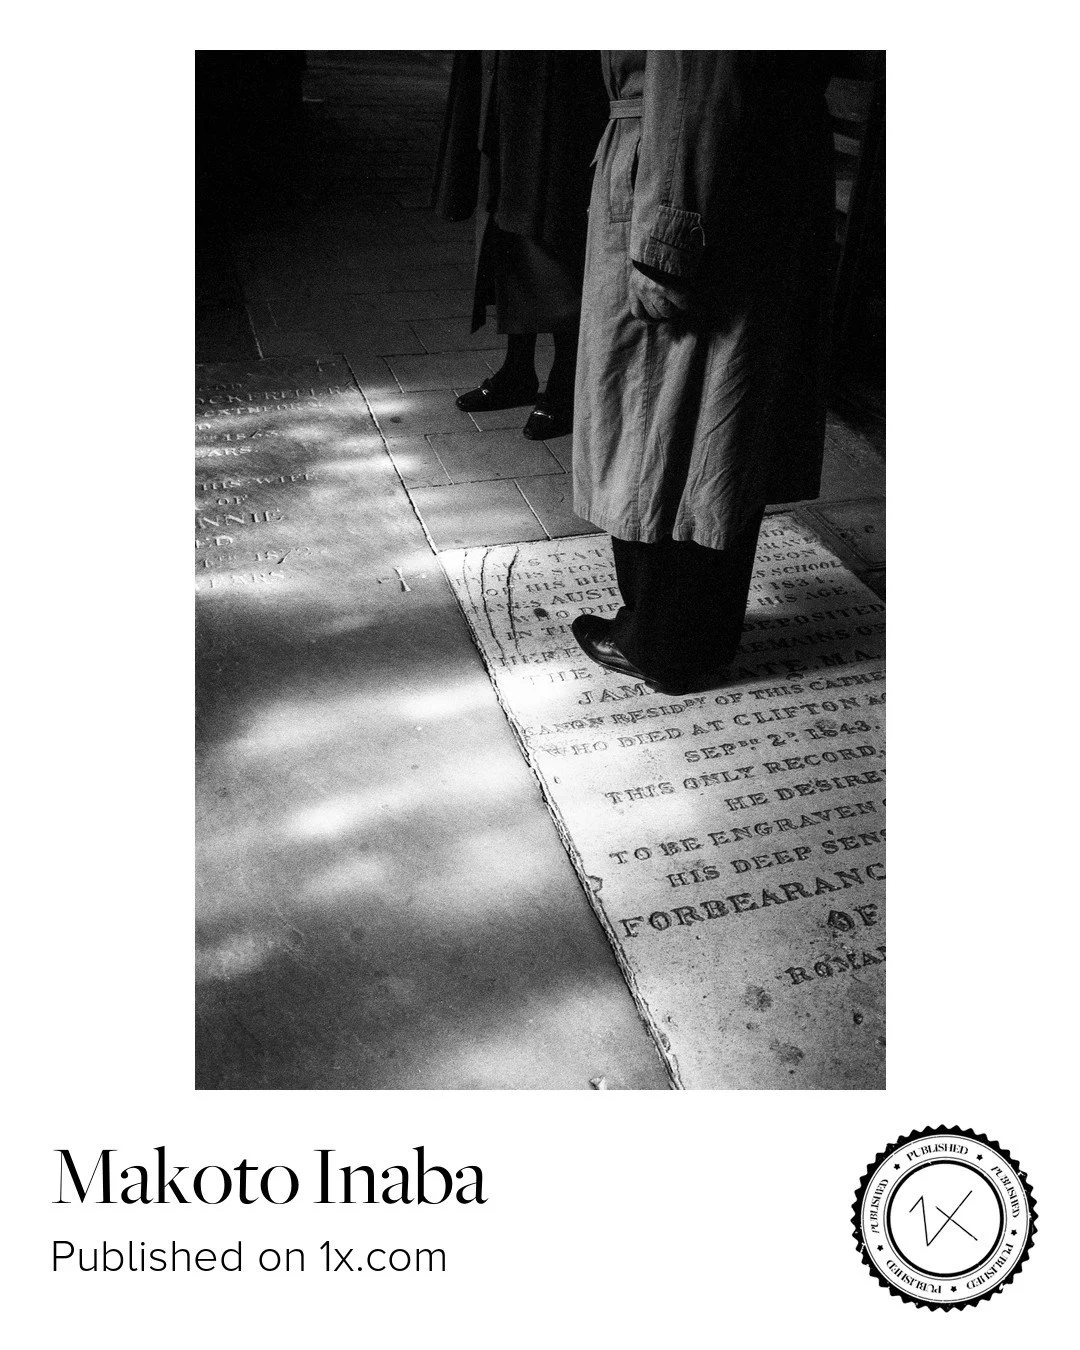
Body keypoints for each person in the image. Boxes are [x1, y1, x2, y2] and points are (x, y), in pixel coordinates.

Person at [570, 51, 835, 695]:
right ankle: (701, 635)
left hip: (690, 170)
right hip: (754, 161)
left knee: (662, 414)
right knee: (725, 416)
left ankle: (661, 642)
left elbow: (696, 61)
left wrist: (666, 236)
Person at [433, 51, 608, 438]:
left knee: (557, 232)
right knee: (506, 222)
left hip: (566, 82)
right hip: (508, 73)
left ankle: (564, 380)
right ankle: (518, 369)